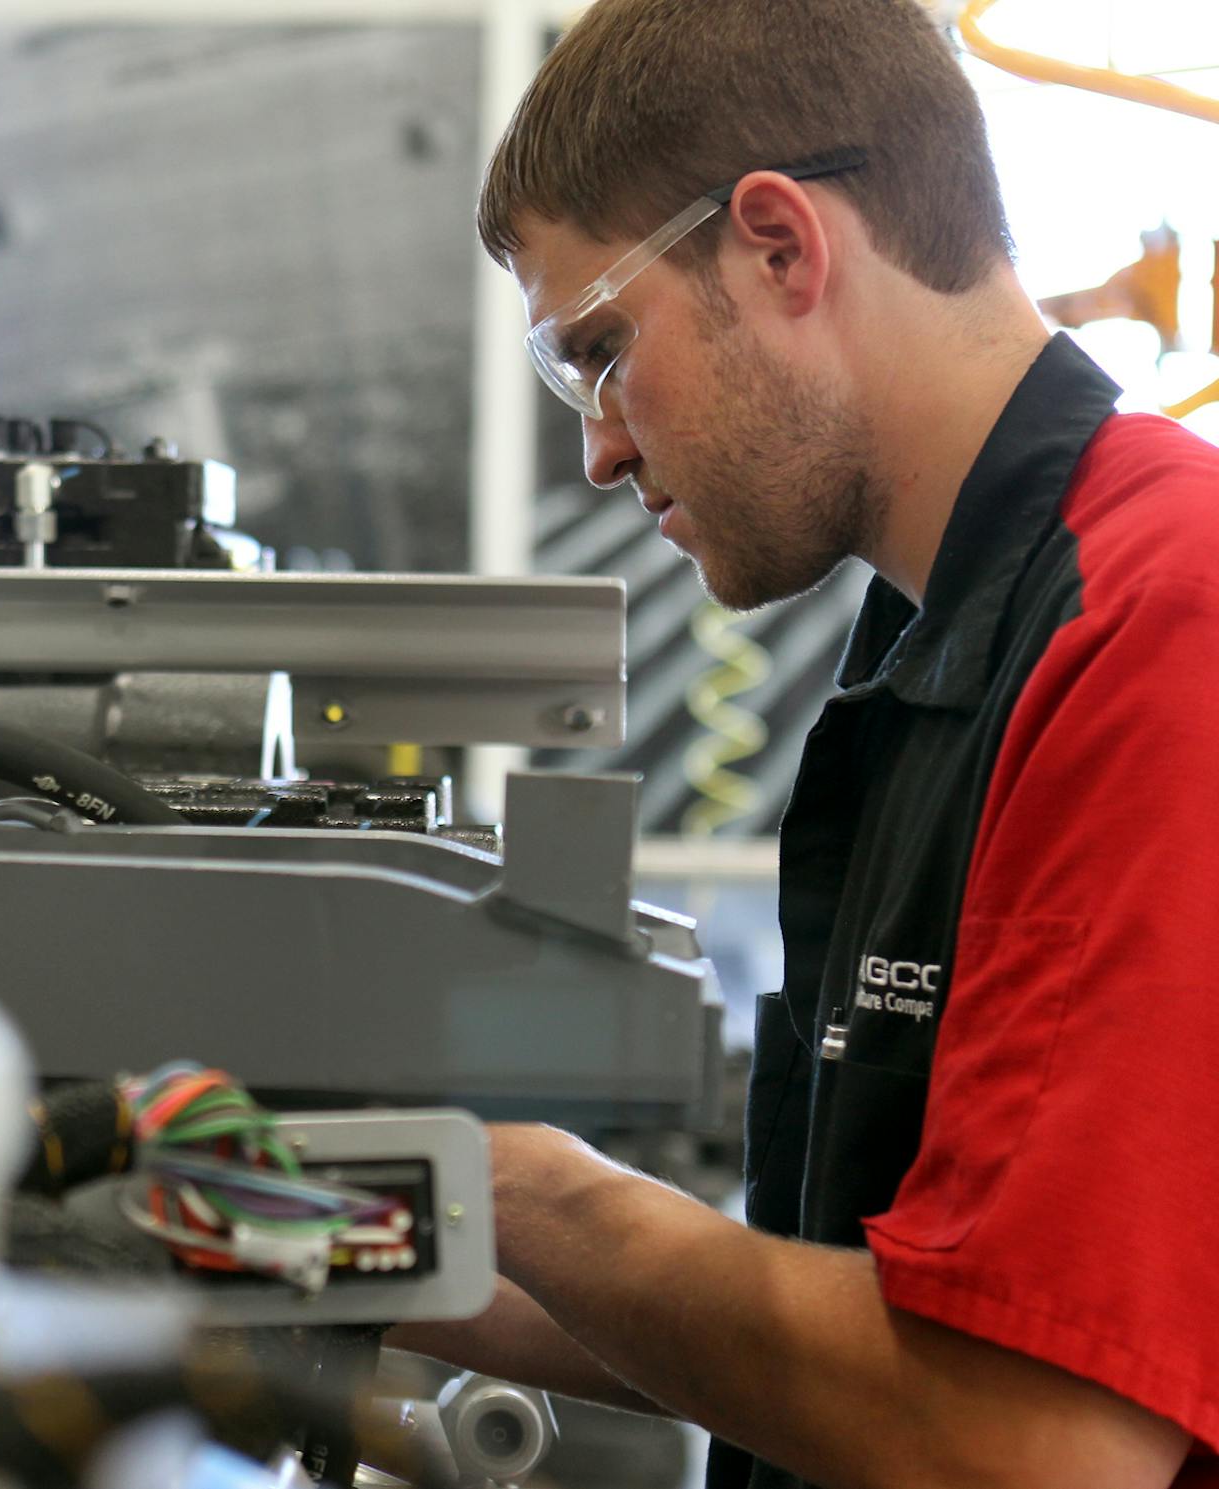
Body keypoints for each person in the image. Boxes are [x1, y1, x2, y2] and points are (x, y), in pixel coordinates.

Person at [387, 2, 1219, 1487]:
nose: (599, 445)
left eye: (602, 349)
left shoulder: (1160, 617)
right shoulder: (933, 637)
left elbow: (1034, 1439)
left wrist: (522, 1189)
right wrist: (290, 1218)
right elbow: (834, 1299)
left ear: (779, 246)